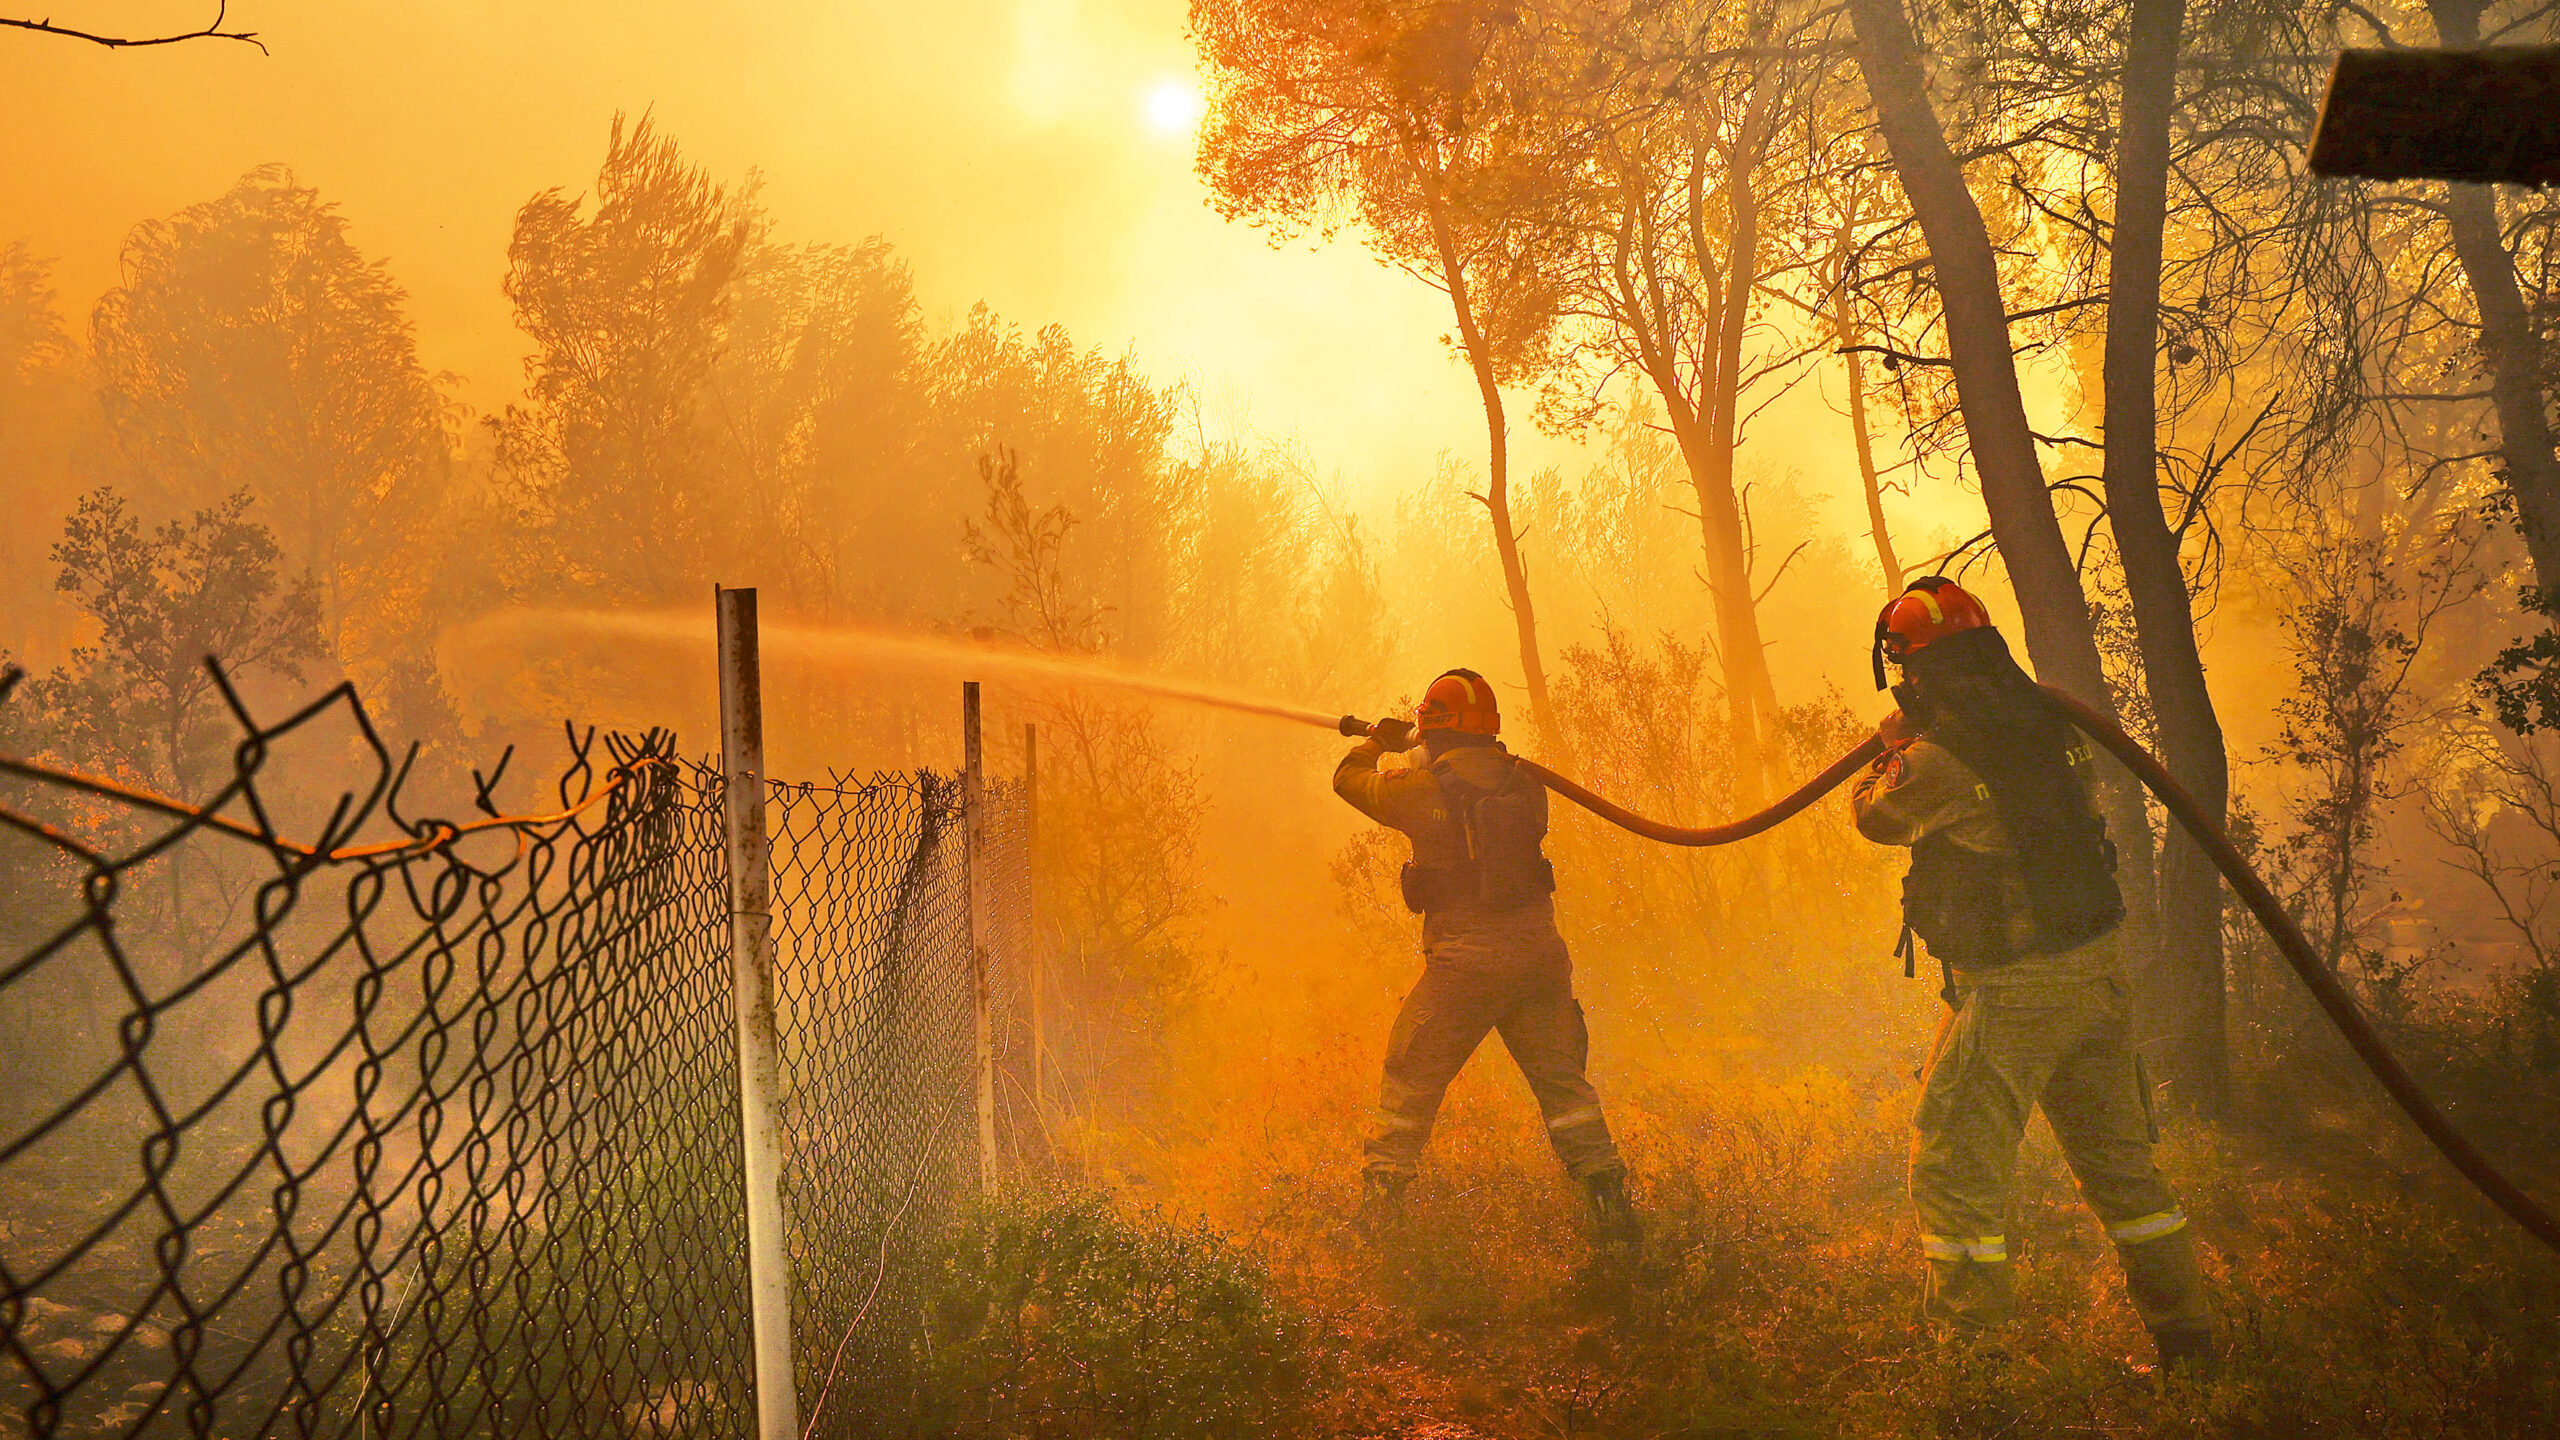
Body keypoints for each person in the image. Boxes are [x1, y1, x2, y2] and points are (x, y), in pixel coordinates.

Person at [1852, 578, 2213, 1372]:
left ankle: (1975, 1375)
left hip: (2016, 989)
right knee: (2124, 1173)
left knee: (1951, 1176)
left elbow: (1874, 816)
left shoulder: (1938, 756)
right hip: (2093, 973)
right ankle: (2191, 1351)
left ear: (1910, 668)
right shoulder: (2047, 724)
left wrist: (1890, 749)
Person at [1334, 669, 1641, 1254]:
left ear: (1431, 725)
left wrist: (1380, 743)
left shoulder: (1421, 790)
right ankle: (1613, 1214)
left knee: (1409, 1078)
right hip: (1540, 959)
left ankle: (1380, 1218)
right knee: (1565, 1090)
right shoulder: (1526, 785)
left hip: (1466, 965)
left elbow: (1349, 780)